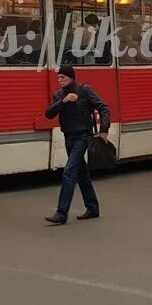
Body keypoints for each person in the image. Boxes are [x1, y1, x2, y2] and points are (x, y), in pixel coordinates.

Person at [44, 65, 110, 225]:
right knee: (81, 173)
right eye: (58, 77)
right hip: (69, 137)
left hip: (83, 136)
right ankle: (93, 208)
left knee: (69, 171)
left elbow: (103, 107)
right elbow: (48, 113)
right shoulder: (59, 95)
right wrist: (63, 101)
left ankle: (61, 213)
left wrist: (104, 130)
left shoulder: (84, 90)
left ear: (71, 77)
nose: (59, 81)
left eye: (63, 77)